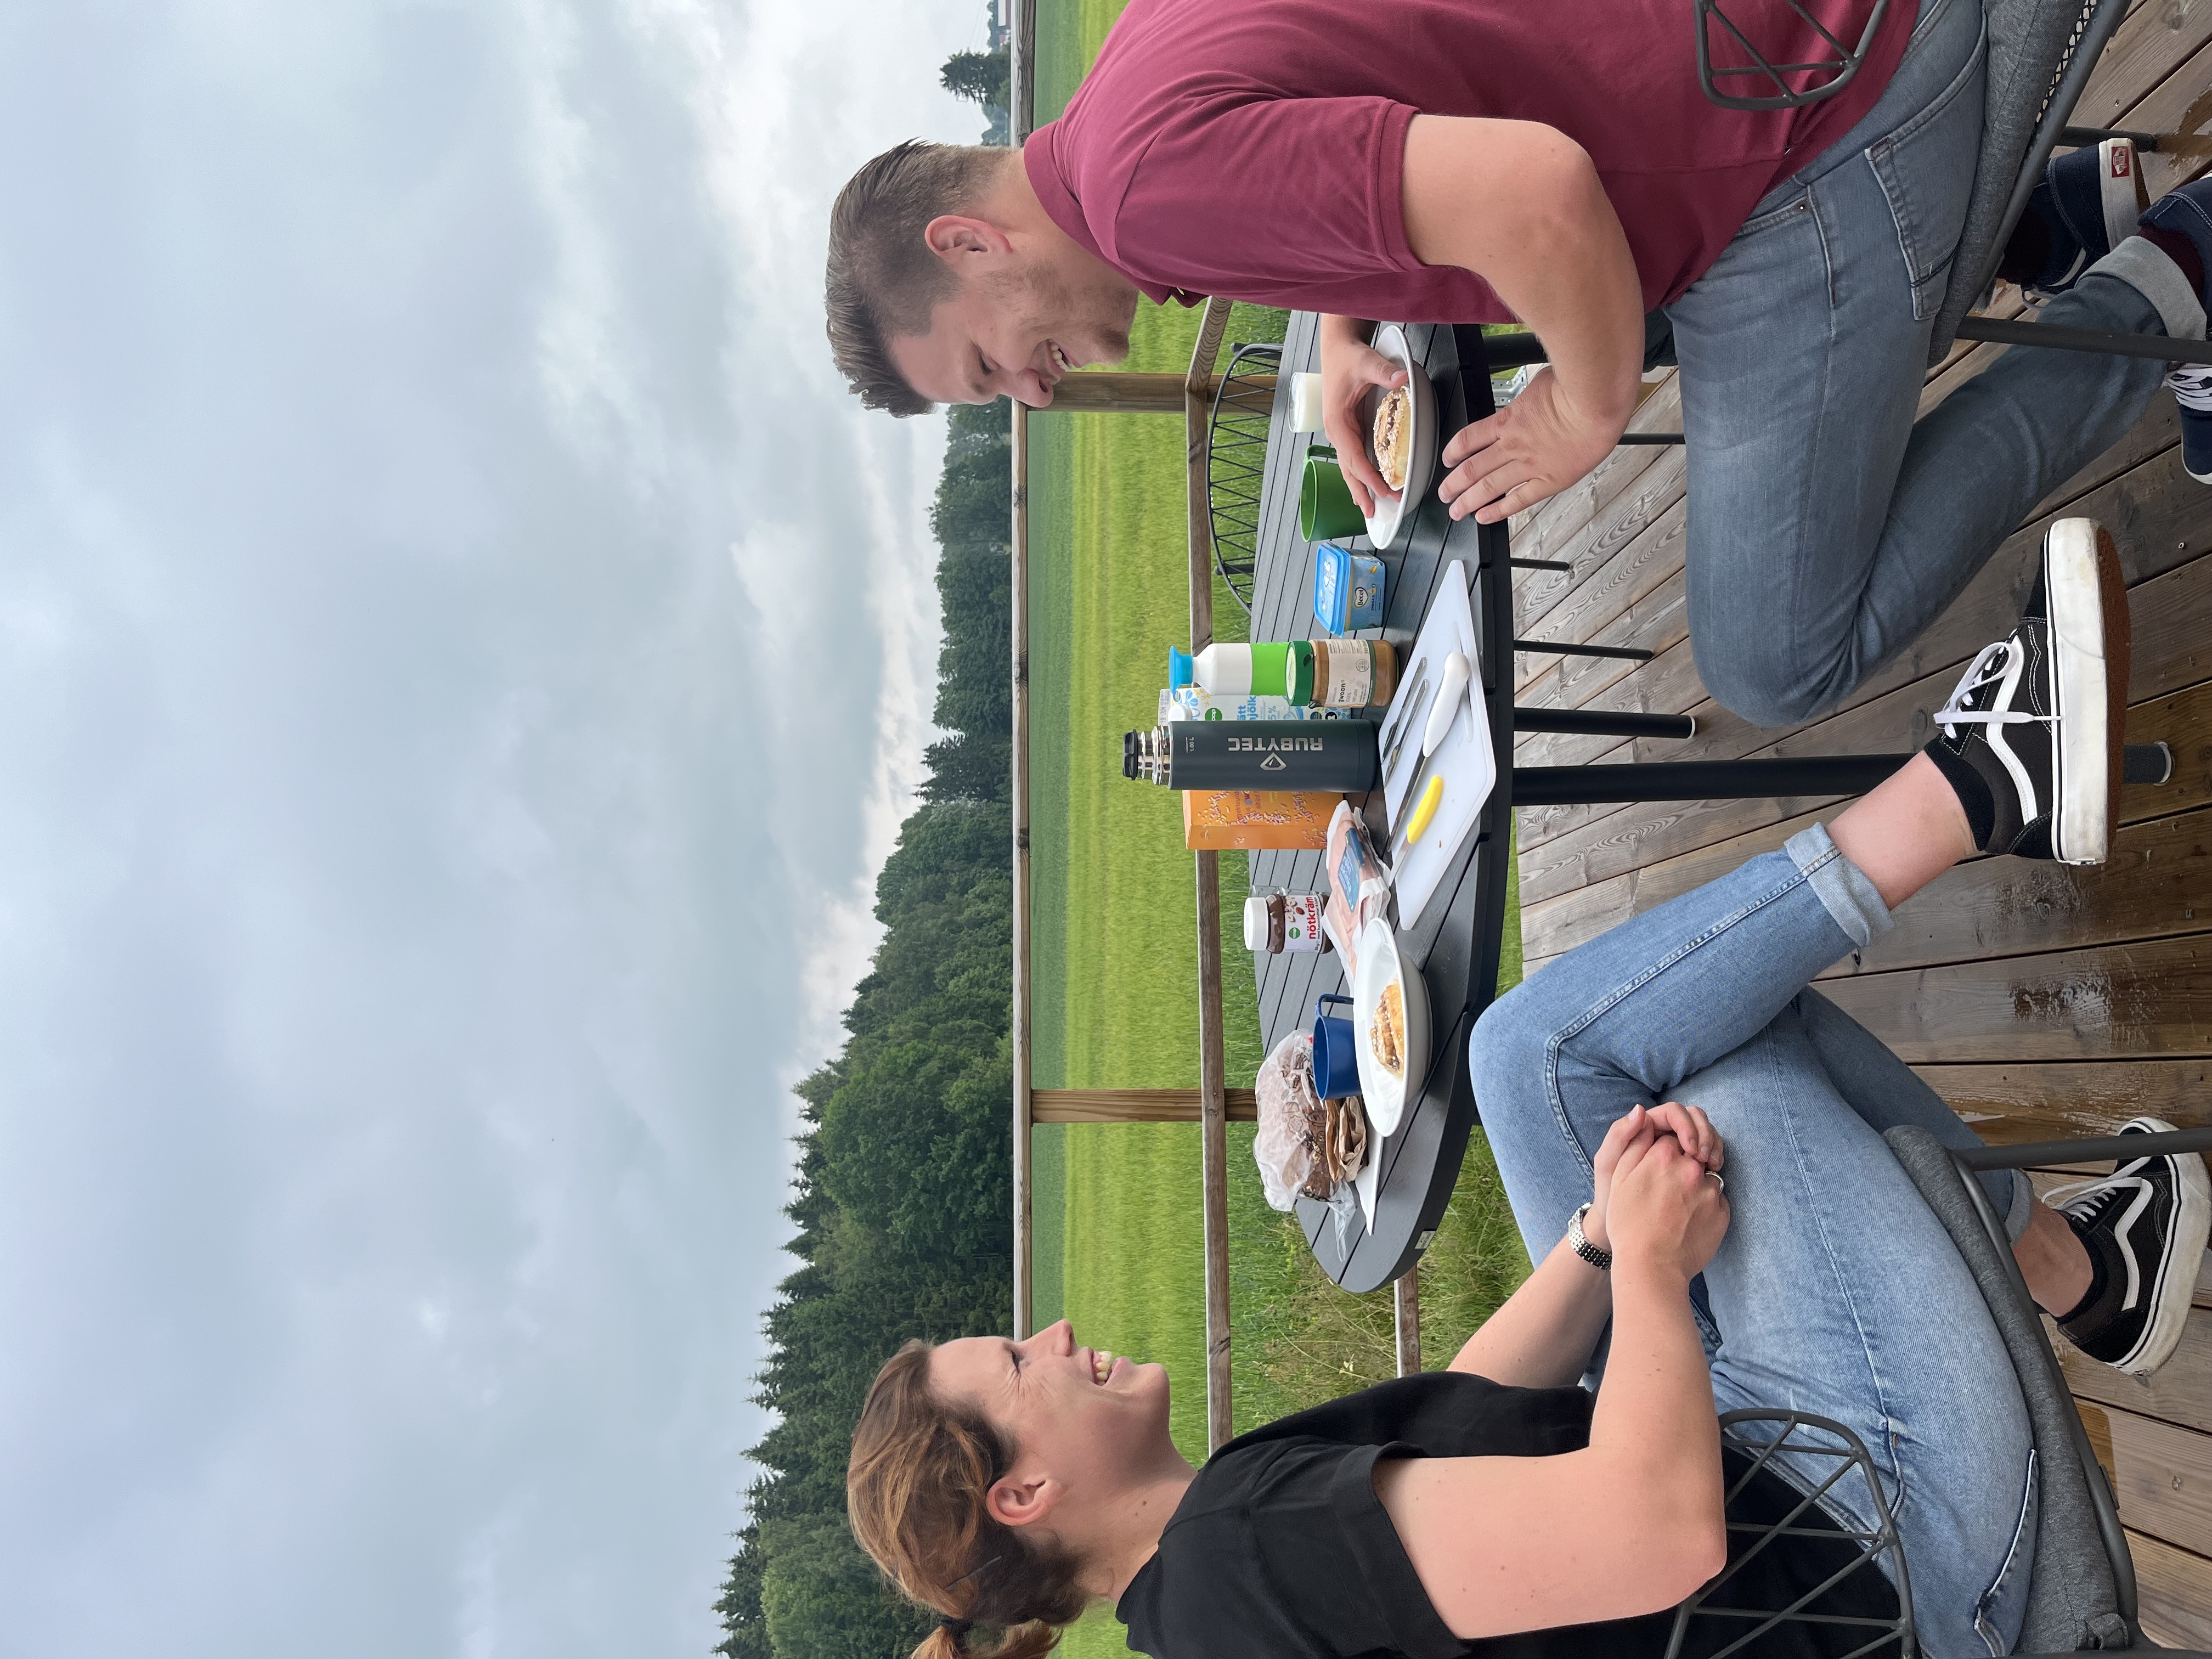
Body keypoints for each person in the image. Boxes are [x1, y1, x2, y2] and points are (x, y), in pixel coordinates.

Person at [843, 518, 2211, 1659]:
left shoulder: (1200, 1581)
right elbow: (1654, 1534)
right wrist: (1660, 1279)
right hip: (1886, 1538)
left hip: (1782, 1496)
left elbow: (1459, 1413)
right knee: (1675, 1059)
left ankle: (2081, 1257)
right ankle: (1985, 784)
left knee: (1542, 1063)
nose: (1058, 1328)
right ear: (1022, 1490)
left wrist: (1605, 1241)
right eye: (1019, 1363)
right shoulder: (1232, 1569)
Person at [823, 0, 2212, 729]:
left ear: (969, 241)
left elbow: (1542, 198)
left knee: (1777, 655)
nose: (1037, 392)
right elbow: (1351, 81)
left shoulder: (1142, 202)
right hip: (1744, 52)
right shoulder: (1126, 79)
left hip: (1812, 121)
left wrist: (1582, 406)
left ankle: (2175, 285)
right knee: (1595, 317)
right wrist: (1343, 326)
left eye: (990, 370)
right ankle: (2060, 212)